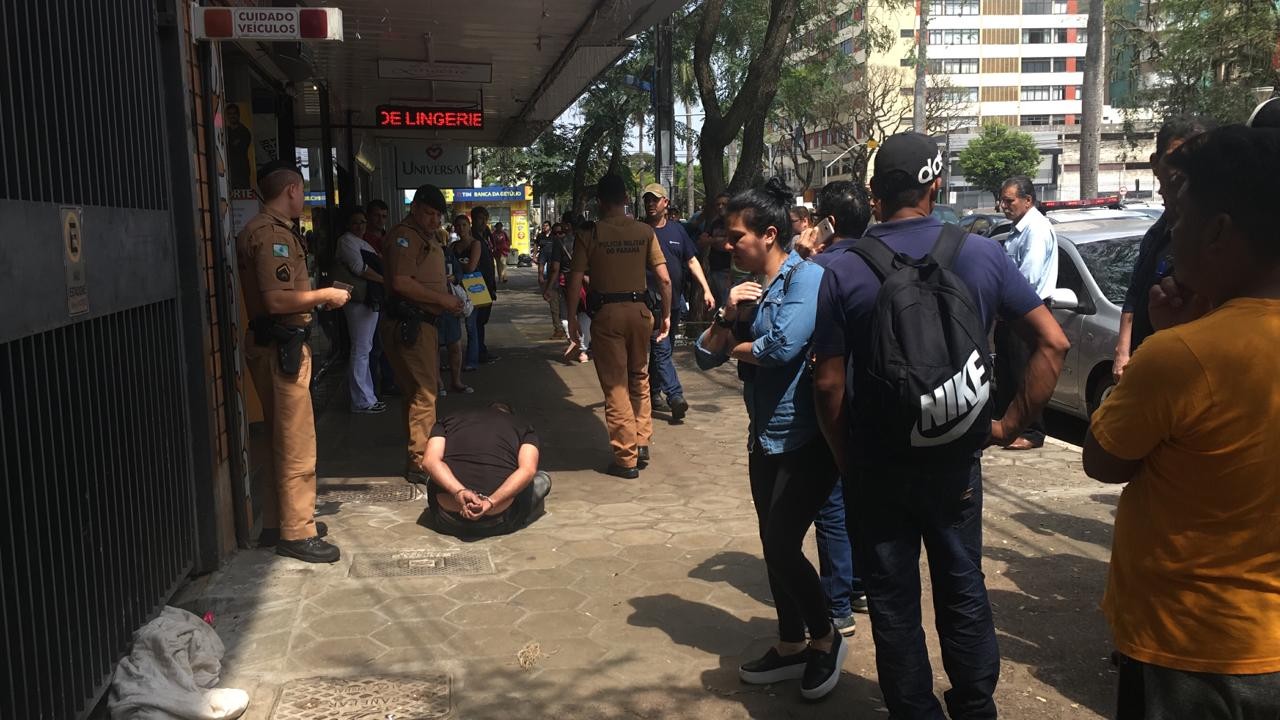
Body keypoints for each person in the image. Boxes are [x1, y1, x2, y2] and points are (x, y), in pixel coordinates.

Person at [812, 132, 1069, 719]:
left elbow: (827, 385)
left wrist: (847, 458)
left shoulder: (844, 269)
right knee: (962, 584)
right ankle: (976, 707)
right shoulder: (980, 254)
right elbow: (1053, 343)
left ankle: (913, 709)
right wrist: (1004, 426)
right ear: (935, 184)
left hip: (878, 462)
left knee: (894, 599)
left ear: (876, 192)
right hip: (956, 454)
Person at [1082, 125, 1280, 720]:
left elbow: (1102, 459)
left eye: (1182, 215)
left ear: (1218, 230)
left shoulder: (1181, 356)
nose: (1173, 231)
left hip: (1191, 642)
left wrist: (1161, 340)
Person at [694, 178, 846, 701]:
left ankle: (825, 638)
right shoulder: (747, 290)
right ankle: (789, 642)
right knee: (771, 542)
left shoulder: (808, 279)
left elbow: (781, 348)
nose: (728, 245)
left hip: (807, 439)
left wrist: (731, 344)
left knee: (782, 544)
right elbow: (700, 352)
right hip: (764, 437)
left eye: (736, 237)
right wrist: (726, 315)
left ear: (770, 234)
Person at [236, 159, 350, 563]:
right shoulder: (271, 235)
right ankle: (297, 532)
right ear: (291, 190)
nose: (302, 198)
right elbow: (277, 300)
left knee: (275, 439)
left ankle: (277, 522)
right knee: (297, 442)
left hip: (272, 344)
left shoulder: (261, 230)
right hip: (281, 347)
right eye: (301, 191)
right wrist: (325, 297)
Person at [564, 175, 672, 479]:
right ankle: (642, 439)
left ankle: (626, 459)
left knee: (615, 386)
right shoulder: (643, 231)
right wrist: (666, 315)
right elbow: (664, 279)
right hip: (640, 313)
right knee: (639, 376)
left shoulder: (591, 233)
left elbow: (575, 279)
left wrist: (572, 319)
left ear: (600, 202)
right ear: (626, 198)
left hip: (607, 315)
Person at [807, 181, 876, 633]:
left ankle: (837, 605)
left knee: (830, 502)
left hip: (833, 402)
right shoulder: (879, 260)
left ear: (828, 222)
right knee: (864, 498)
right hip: (877, 401)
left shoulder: (821, 269)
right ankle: (861, 584)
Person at [1113, 116, 1215, 381]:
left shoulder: (1219, 239)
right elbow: (1134, 295)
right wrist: (1123, 352)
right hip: (1149, 366)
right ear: (1156, 165)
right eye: (1176, 157)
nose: (1183, 169)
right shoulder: (1158, 232)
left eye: (1196, 158)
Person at [380, 185, 465, 485]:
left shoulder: (423, 237)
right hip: (411, 324)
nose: (434, 220)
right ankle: (421, 463)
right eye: (429, 213)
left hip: (423, 323)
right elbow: (402, 282)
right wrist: (443, 300)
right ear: (414, 208)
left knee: (417, 393)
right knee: (425, 394)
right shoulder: (405, 237)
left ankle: (418, 454)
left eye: (438, 215)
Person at [994, 175, 1058, 450]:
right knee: (1007, 371)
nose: (1004, 206)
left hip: (1028, 311)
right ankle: (1009, 426)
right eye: (1002, 201)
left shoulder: (1037, 230)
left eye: (1009, 201)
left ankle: (1032, 431)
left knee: (1026, 372)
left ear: (1028, 200)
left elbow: (1027, 278)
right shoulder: (1018, 229)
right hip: (1010, 313)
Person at [423, 402, 551, 538]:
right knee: (541, 478)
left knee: (434, 476)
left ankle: (455, 492)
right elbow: (528, 470)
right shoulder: (523, 427)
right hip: (498, 520)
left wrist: (459, 491)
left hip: (447, 518)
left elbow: (429, 462)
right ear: (509, 415)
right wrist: (489, 503)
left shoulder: (448, 419)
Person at [643, 183, 714, 421]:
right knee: (661, 349)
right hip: (649, 305)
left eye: (655, 199)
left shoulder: (677, 231)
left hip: (673, 304)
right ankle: (675, 396)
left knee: (663, 351)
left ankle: (653, 394)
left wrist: (705, 289)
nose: (650, 204)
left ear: (666, 203)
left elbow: (692, 261)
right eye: (647, 200)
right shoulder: (641, 231)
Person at [336, 208, 386, 414]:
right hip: (357, 300)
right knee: (361, 349)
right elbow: (359, 268)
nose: (360, 226)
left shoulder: (362, 242)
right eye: (356, 222)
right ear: (348, 225)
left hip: (368, 300)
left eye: (363, 222)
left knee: (365, 347)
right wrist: (385, 280)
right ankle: (361, 400)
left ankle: (367, 396)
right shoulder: (346, 241)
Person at [546, 222, 591, 364]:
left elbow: (555, 268)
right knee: (584, 314)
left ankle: (574, 341)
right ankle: (583, 349)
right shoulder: (589, 241)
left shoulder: (559, 244)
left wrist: (549, 287)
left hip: (567, 283)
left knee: (566, 315)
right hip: (586, 283)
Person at [437, 225, 472, 396]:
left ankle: (456, 381)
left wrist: (454, 278)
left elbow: (458, 272)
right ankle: (438, 384)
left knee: (455, 346)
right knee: (433, 348)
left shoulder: (447, 253)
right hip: (431, 305)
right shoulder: (420, 251)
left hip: (450, 304)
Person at [470, 206, 500, 364]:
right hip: (477, 285)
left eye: (484, 219)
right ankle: (478, 352)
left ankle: (480, 349)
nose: (482, 222)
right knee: (478, 321)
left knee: (482, 321)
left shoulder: (485, 237)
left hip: (487, 284)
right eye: (479, 219)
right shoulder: (472, 239)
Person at [697, 192, 733, 308]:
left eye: (724, 204)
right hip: (715, 269)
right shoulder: (714, 222)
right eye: (718, 204)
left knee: (727, 304)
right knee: (719, 305)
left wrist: (712, 240)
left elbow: (728, 245)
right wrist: (718, 240)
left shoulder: (734, 222)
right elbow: (702, 241)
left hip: (729, 271)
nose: (720, 207)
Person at [537, 222, 565, 340]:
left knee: (566, 307)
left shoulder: (571, 246)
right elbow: (542, 262)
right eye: (556, 233)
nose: (558, 235)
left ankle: (567, 329)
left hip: (567, 282)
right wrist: (540, 276)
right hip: (553, 281)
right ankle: (558, 329)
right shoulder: (548, 248)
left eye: (561, 232)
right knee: (554, 307)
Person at [225, 103, 252, 191]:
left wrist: (230, 146)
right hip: (228, 170)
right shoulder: (226, 131)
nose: (232, 116)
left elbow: (238, 149)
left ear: (238, 115)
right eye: (229, 114)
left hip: (241, 171)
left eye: (234, 113)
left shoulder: (244, 132)